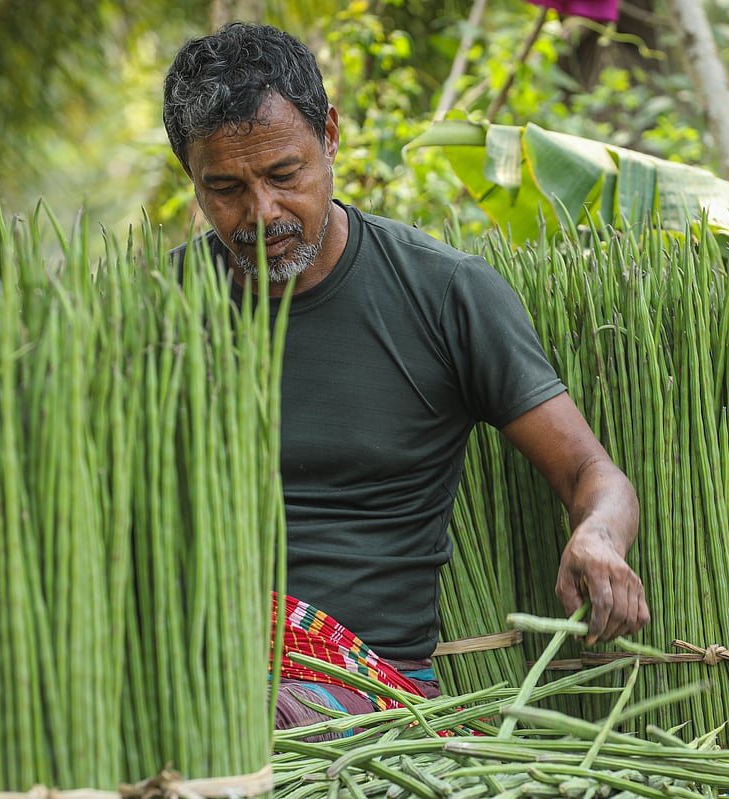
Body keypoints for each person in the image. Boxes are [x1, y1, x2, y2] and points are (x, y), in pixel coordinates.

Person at [162, 22, 649, 732]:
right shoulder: (152, 306)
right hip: (183, 663)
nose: (261, 213)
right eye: (227, 188)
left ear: (329, 136)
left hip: (357, 694)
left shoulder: (444, 293)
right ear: (192, 177)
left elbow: (592, 473)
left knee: (239, 724)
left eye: (284, 175)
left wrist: (598, 538)